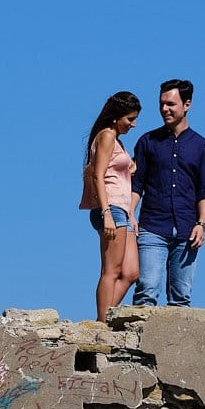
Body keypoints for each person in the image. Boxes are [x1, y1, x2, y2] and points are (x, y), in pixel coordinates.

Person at [130, 79, 205, 307]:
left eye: (170, 104)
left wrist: (201, 224)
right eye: (161, 104)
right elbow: (137, 184)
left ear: (187, 105)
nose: (164, 109)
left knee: (181, 297)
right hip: (152, 228)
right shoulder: (147, 142)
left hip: (187, 230)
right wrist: (130, 214)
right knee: (146, 289)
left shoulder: (201, 146)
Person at [79, 91, 141, 322]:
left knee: (131, 272)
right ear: (117, 116)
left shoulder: (118, 141)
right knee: (111, 271)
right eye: (130, 119)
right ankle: (102, 325)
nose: (133, 124)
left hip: (122, 210)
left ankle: (103, 319)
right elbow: (98, 175)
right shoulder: (106, 136)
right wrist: (106, 213)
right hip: (110, 208)